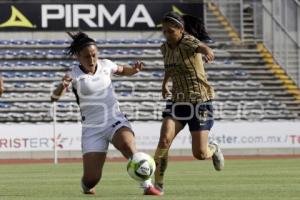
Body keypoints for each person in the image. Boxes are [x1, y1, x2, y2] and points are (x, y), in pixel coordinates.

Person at [50, 32, 161, 196]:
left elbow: (123, 71)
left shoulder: (106, 65)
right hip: (92, 128)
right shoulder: (73, 75)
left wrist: (134, 70)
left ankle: (147, 185)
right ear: (78, 57)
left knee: (128, 145)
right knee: (91, 179)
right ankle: (86, 185)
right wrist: (61, 86)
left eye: (94, 55)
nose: (91, 59)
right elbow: (54, 98)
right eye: (87, 56)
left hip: (114, 119)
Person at [153, 12, 225, 194]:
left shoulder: (188, 41)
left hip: (200, 101)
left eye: (171, 31)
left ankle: (214, 147)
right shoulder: (165, 48)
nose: (167, 35)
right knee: (164, 140)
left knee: (200, 154)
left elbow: (201, 47)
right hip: (177, 101)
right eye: (164, 31)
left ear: (181, 30)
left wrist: (208, 51)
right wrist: (164, 84)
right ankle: (158, 185)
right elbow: (169, 68)